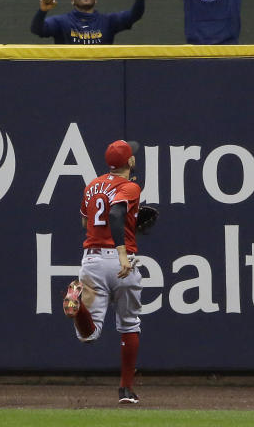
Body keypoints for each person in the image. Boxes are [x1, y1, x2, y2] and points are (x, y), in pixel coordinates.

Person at [61, 140, 144, 405]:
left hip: (93, 261)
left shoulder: (92, 185)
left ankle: (77, 305)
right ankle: (126, 390)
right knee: (129, 324)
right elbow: (117, 215)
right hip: (121, 261)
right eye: (132, 156)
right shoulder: (130, 186)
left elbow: (87, 221)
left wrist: (130, 224)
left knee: (88, 334)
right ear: (129, 162)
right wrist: (121, 251)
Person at [30, 0, 146, 44]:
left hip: (102, 75)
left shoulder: (108, 21)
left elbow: (134, 15)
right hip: (68, 75)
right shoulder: (61, 21)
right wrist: (42, 11)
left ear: (95, 1)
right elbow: (37, 30)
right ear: (72, 1)